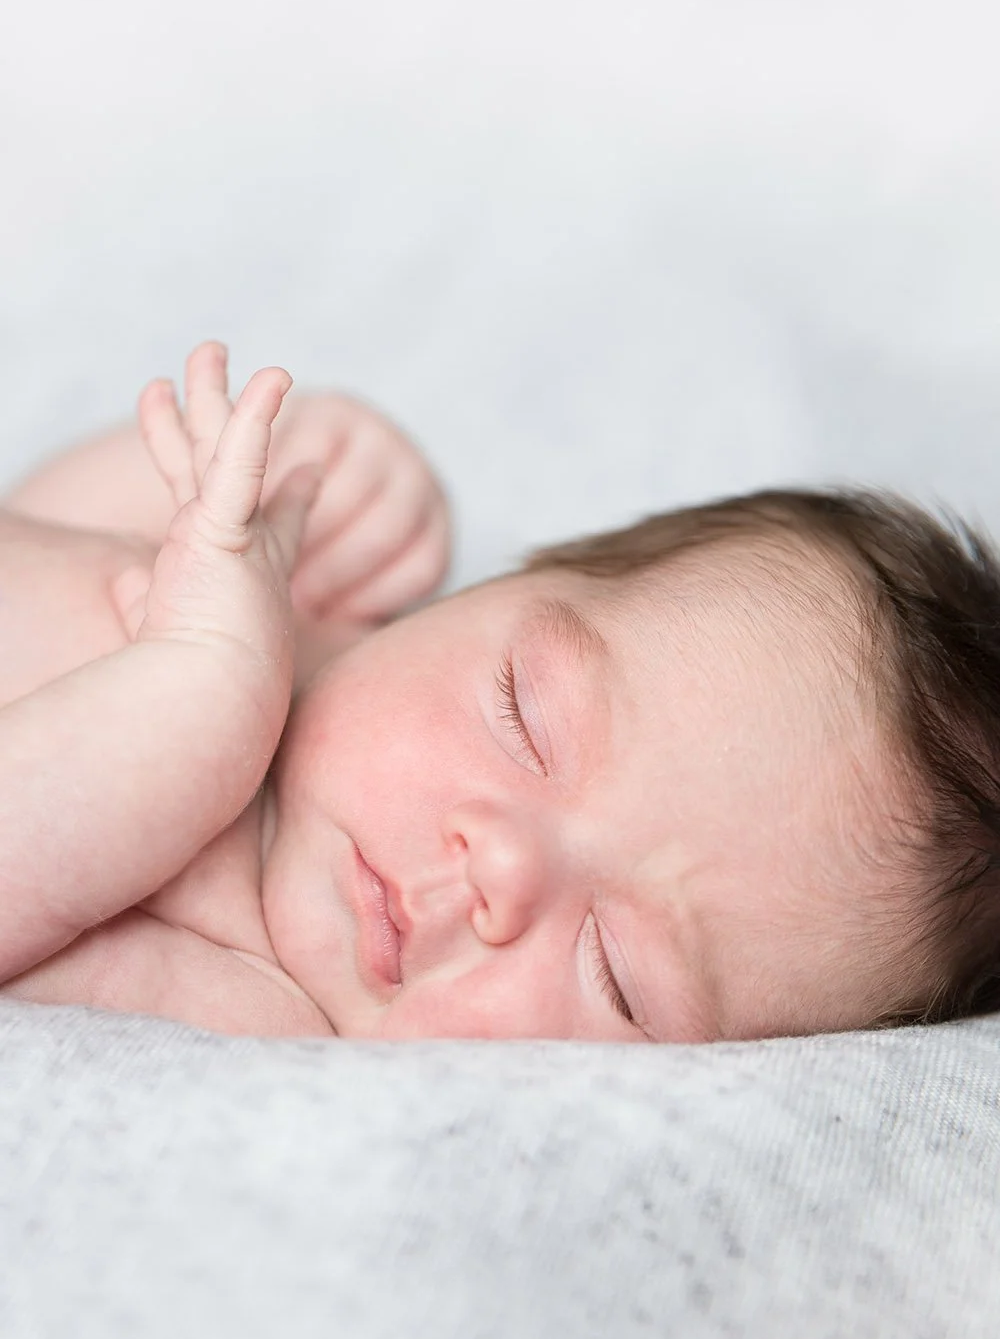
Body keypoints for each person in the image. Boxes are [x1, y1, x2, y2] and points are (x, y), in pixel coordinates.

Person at [2, 343, 999, 1042]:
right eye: (526, 712)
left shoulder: (247, 998)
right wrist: (285, 473)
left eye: (616, 974)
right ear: (491, 592)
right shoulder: (303, 607)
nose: (506, 868)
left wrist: (198, 694)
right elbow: (40, 527)